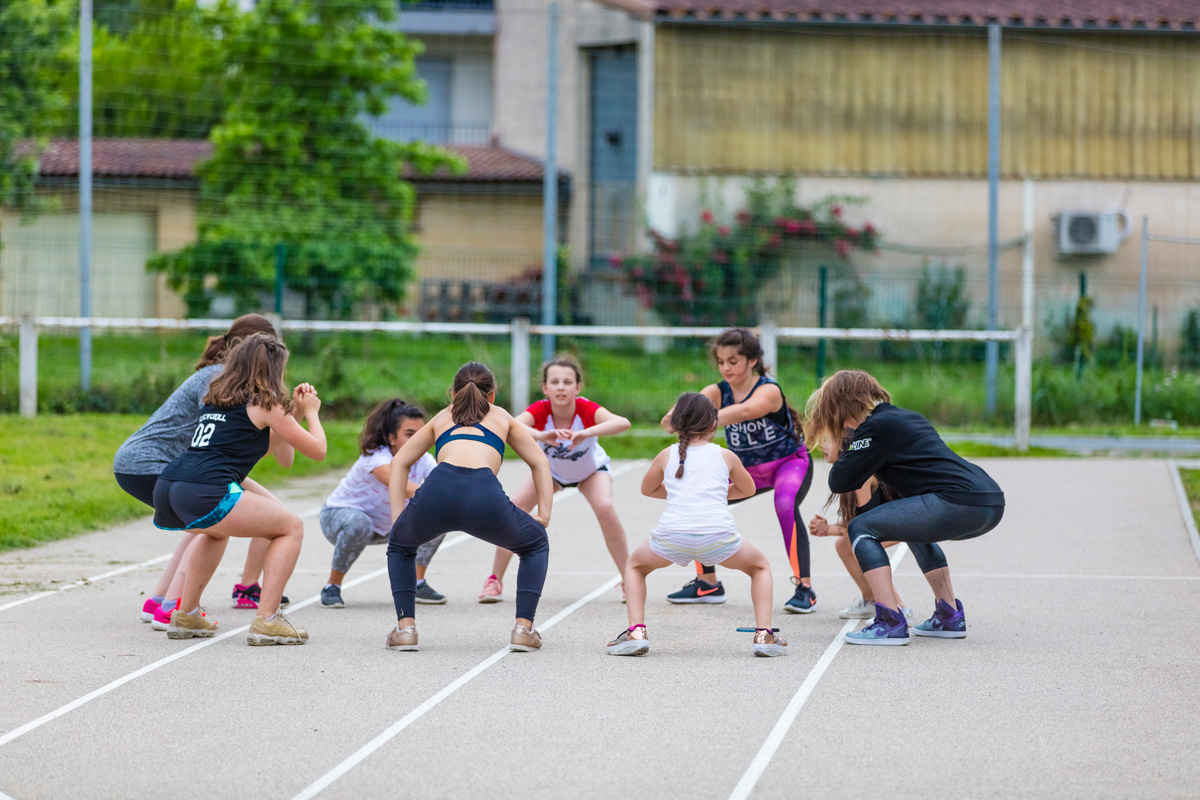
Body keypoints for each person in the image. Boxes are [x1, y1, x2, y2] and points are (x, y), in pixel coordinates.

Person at [113, 314, 291, 630]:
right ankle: (173, 607)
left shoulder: (227, 378)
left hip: (166, 464)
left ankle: (160, 602)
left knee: (216, 523)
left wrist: (288, 417)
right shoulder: (220, 379)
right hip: (155, 464)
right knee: (209, 524)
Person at [803, 369, 1005, 646]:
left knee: (860, 528)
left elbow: (839, 480)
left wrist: (845, 445)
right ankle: (948, 615)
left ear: (840, 407)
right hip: (988, 500)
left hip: (958, 501)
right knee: (913, 531)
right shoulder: (903, 416)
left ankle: (889, 621)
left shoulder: (874, 427)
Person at [152, 333, 327, 645]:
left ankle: (186, 613)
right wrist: (312, 411)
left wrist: (294, 414)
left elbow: (272, 449)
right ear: (273, 369)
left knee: (216, 531)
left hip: (172, 483)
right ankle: (268, 620)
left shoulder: (216, 397)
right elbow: (318, 451)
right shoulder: (266, 402)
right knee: (291, 527)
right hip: (205, 487)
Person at [385, 362, 553, 652]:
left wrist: (399, 516)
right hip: (483, 493)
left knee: (401, 545)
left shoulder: (442, 417)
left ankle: (406, 629)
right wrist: (544, 514)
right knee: (535, 544)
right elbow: (540, 462)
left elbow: (400, 462)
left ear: (453, 393)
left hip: (439, 488)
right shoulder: (502, 417)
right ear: (493, 395)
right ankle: (523, 629)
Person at [607, 393, 786, 657]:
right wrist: (713, 493)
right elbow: (748, 489)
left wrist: (682, 492)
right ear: (714, 423)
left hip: (672, 537)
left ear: (677, 424)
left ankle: (636, 631)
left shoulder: (665, 455)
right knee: (759, 567)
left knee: (634, 566)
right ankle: (764, 635)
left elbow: (647, 489)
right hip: (718, 538)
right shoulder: (725, 456)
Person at [660, 328, 815, 614]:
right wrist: (679, 414)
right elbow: (668, 423)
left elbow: (744, 412)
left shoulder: (768, 390)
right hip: (748, 471)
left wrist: (697, 416)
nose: (726, 367)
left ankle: (804, 588)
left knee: (785, 504)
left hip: (788, 464)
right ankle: (707, 583)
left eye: (733, 360)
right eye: (721, 362)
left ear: (753, 360)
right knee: (699, 498)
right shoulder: (716, 392)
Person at [478, 355, 630, 603]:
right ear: (545, 387)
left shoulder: (585, 409)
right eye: (555, 382)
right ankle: (494, 580)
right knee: (515, 507)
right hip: (552, 474)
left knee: (605, 507)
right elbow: (508, 423)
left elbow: (623, 422)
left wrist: (585, 433)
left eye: (567, 382)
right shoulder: (541, 410)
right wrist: (542, 435)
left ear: (578, 387)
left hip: (591, 471)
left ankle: (628, 579)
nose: (561, 387)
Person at [319, 399, 442, 608]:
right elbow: (401, 484)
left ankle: (418, 583)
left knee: (439, 517)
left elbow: (442, 483)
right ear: (392, 438)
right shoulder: (375, 457)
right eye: (410, 434)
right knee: (360, 523)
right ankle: (332, 586)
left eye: (421, 435)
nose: (417, 441)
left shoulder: (424, 459)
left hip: (386, 527)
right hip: (340, 518)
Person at [808, 431, 911, 620]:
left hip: (909, 519)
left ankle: (898, 608)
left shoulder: (861, 476)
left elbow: (864, 525)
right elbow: (858, 521)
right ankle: (872, 599)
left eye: (828, 441)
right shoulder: (850, 473)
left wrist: (828, 529)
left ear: (844, 445)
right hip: (893, 520)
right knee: (844, 545)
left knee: (861, 546)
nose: (822, 446)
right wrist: (828, 528)